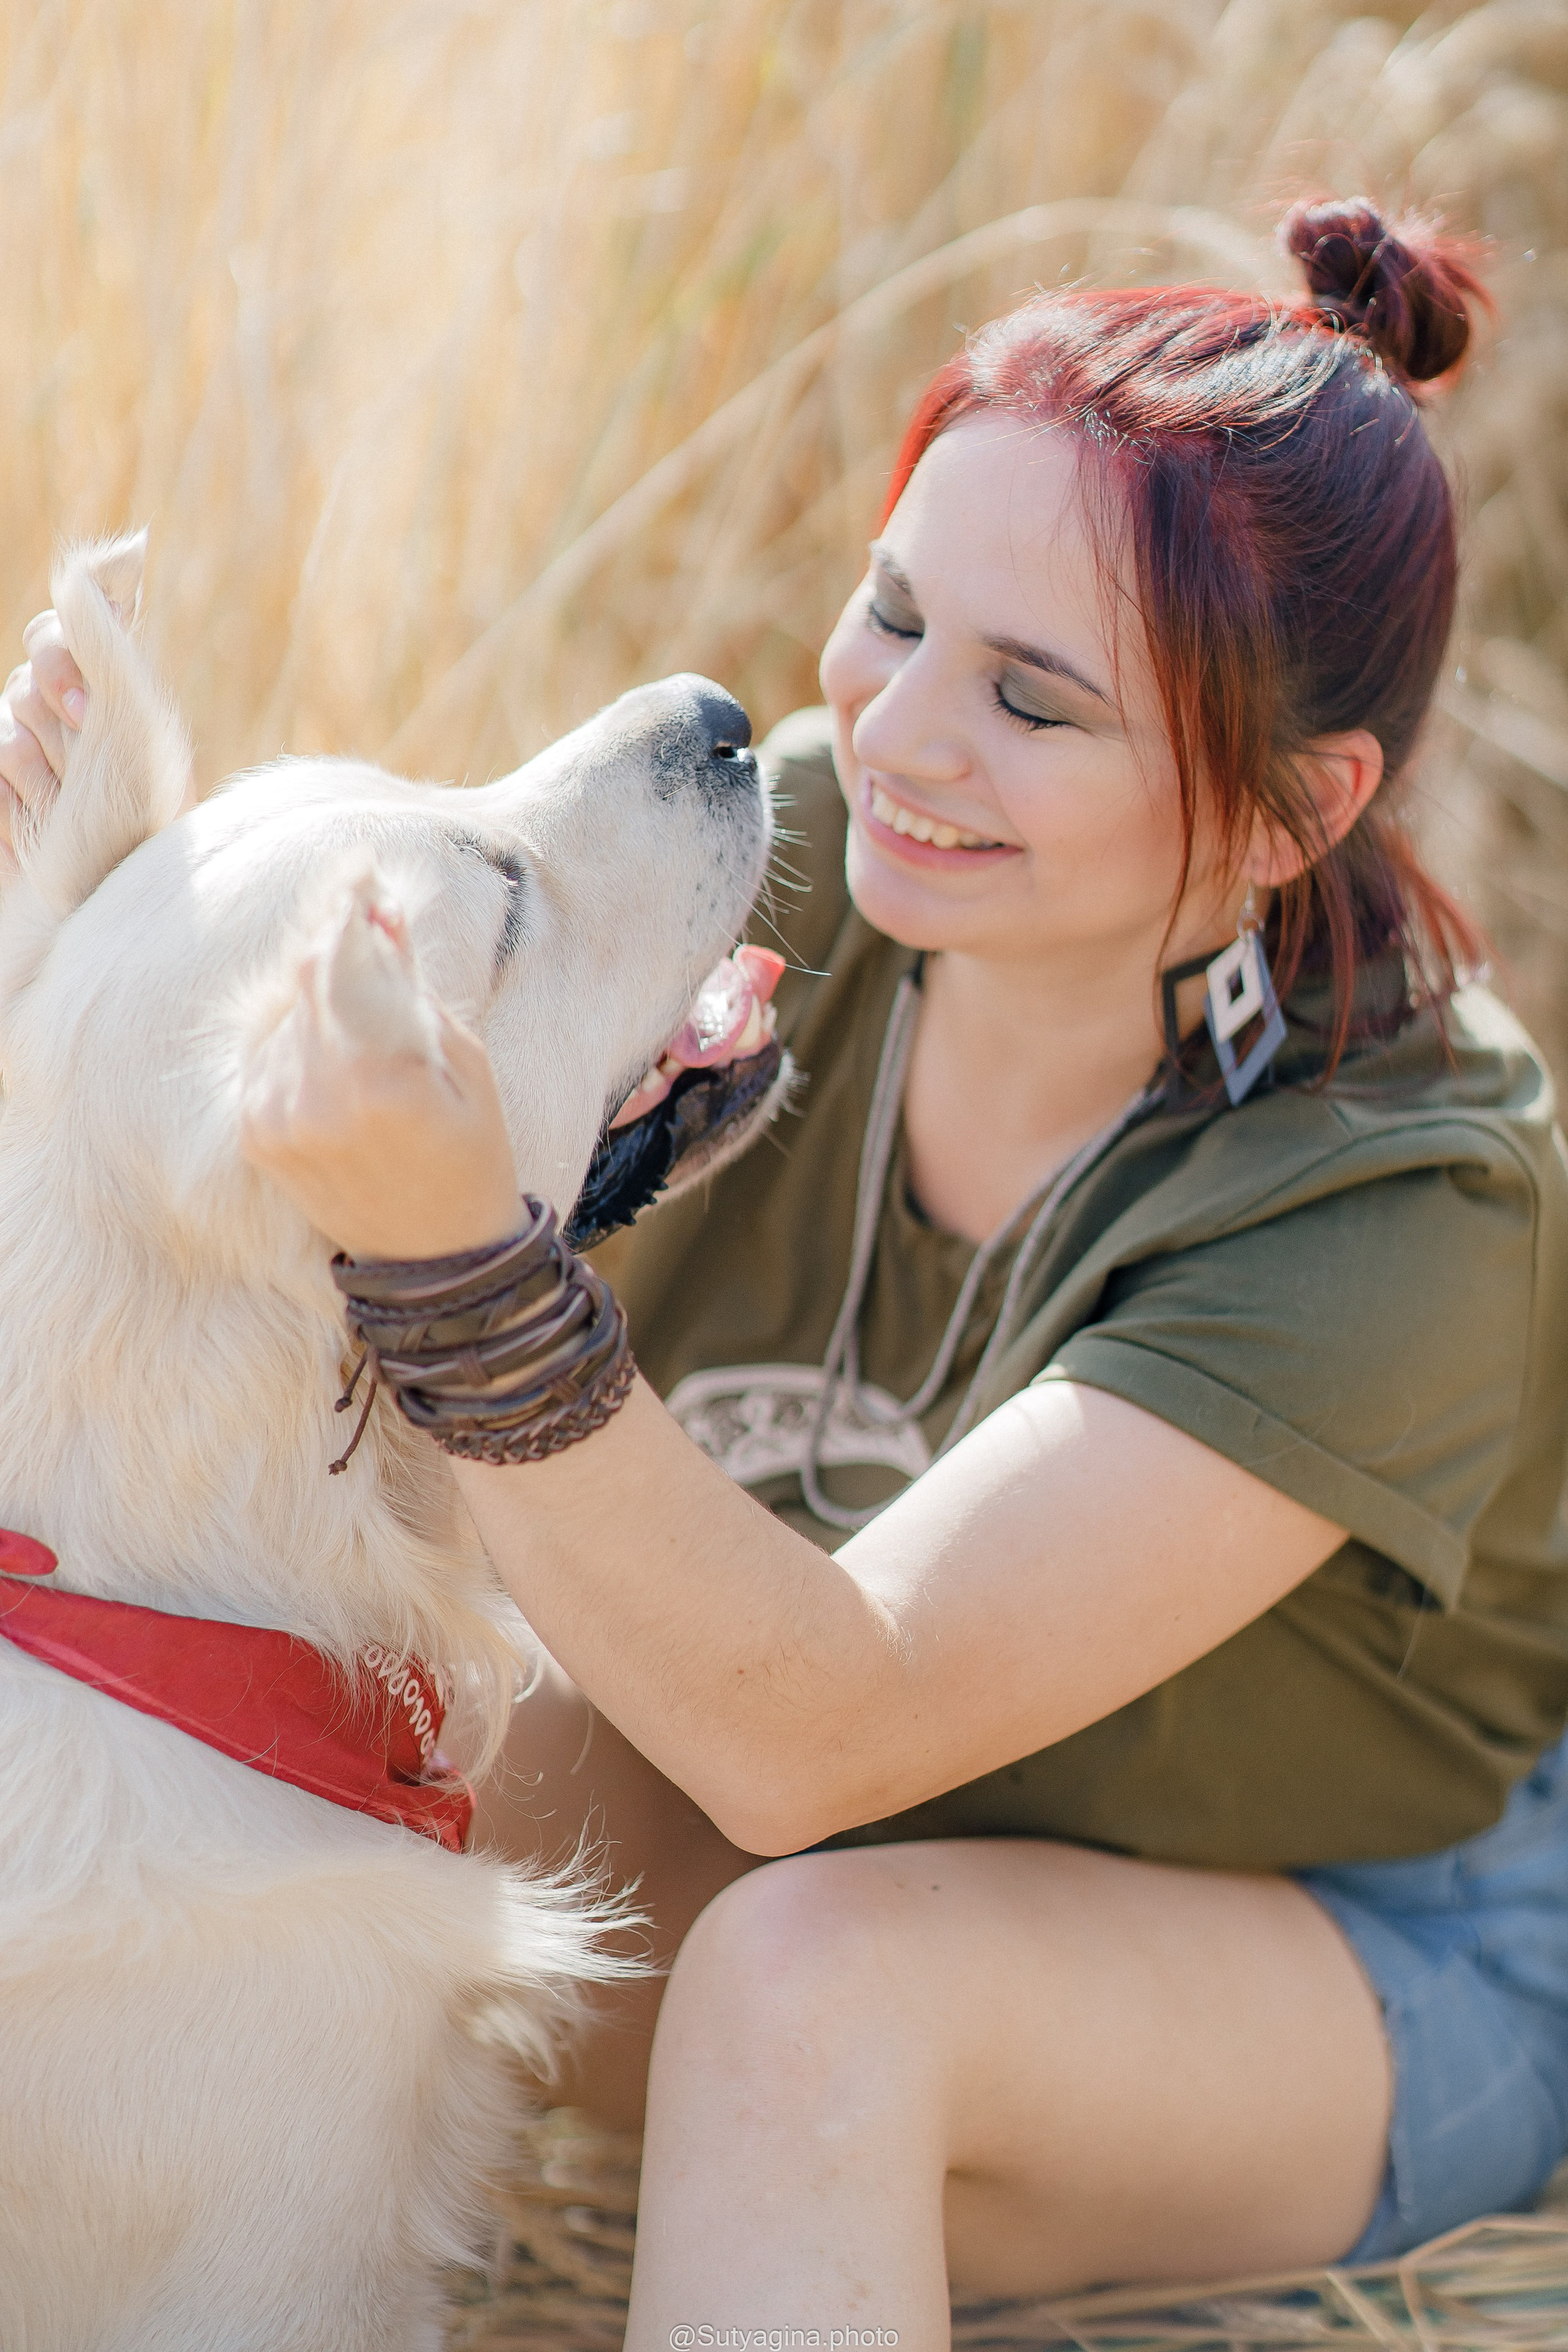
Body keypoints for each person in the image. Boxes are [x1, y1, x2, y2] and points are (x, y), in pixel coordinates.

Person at [7, 199, 1568, 2339]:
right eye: (894, 612)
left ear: (1294, 815)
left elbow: (824, 1741)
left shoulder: (1406, 1194)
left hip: (1323, 1943)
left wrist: (464, 1259)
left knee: (812, 2000)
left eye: (1034, 701)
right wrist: (86, 934)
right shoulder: (826, 842)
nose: (898, 738)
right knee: (275, 1755)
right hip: (812, 1789)